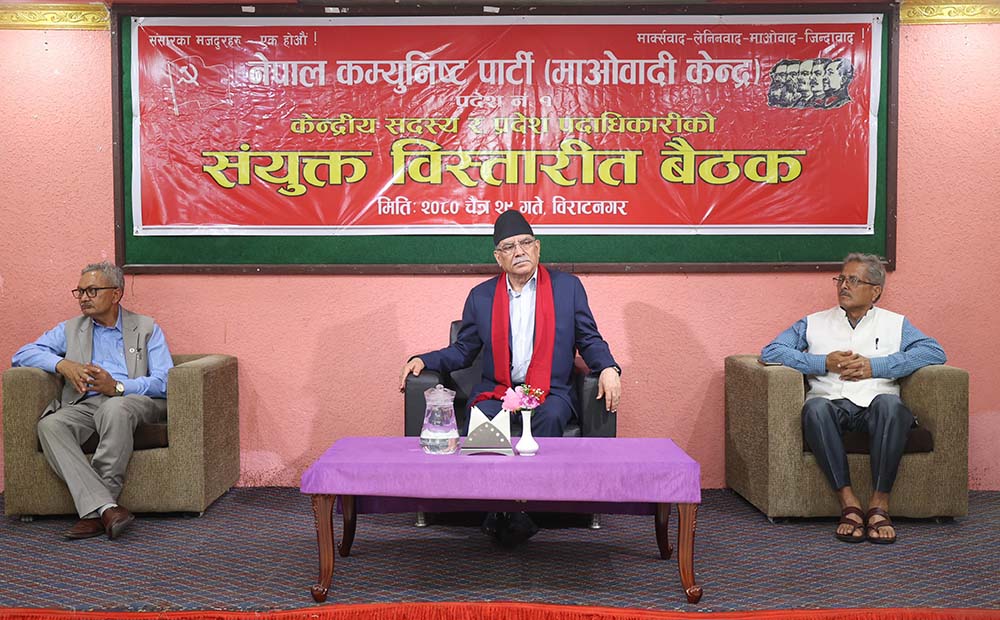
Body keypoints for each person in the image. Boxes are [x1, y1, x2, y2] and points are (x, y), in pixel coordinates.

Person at [399, 210, 622, 546]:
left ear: (538, 248)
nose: (519, 251)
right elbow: (464, 350)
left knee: (549, 417)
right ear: (498, 257)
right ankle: (498, 504)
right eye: (509, 247)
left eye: (525, 243)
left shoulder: (567, 289)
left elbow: (588, 339)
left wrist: (608, 367)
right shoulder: (481, 296)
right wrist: (423, 359)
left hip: (550, 390)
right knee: (481, 418)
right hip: (498, 390)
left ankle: (526, 506)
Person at [760, 253, 945, 544]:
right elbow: (772, 351)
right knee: (814, 409)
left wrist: (876, 366)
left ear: (875, 292)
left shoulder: (896, 324)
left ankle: (879, 504)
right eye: (841, 279)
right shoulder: (813, 323)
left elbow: (934, 352)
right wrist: (823, 363)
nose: (844, 286)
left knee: (891, 405)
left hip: (877, 406)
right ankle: (849, 503)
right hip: (831, 405)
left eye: (854, 280)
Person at [11, 262, 174, 540]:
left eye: (92, 290)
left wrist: (118, 386)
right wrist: (62, 364)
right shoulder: (71, 328)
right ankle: (107, 509)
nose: (84, 297)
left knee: (115, 407)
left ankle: (94, 510)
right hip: (86, 404)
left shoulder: (146, 327)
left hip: (133, 399)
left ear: (116, 294)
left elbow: (164, 381)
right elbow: (22, 354)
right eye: (80, 291)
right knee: (50, 425)